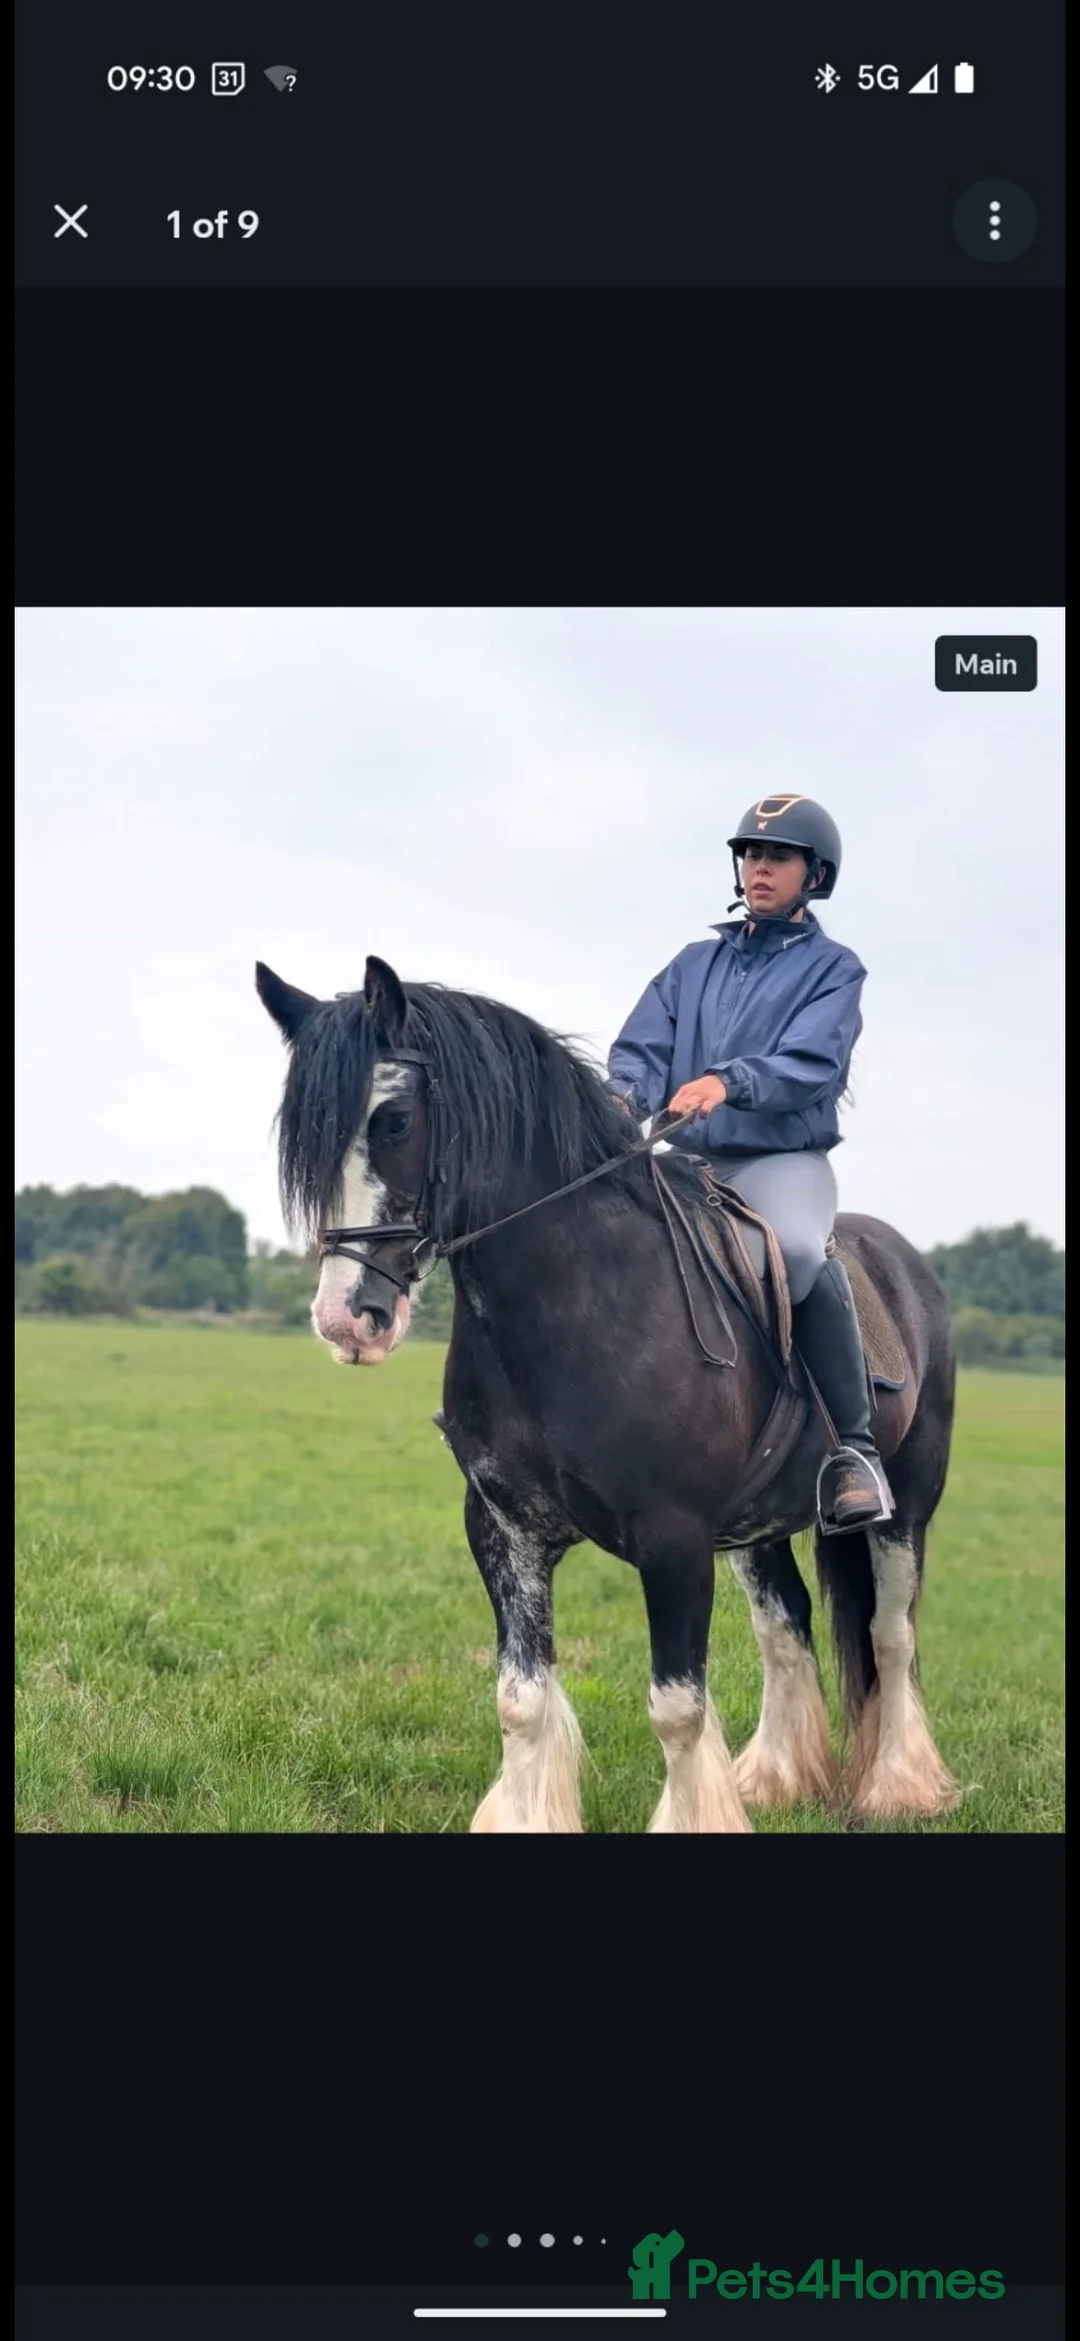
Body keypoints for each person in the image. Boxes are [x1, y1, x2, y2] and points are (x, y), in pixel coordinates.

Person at [606, 794, 892, 1534]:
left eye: (778, 857)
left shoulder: (835, 969)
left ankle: (852, 1453)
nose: (759, 867)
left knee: (798, 1250)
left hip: (776, 1162)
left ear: (814, 873)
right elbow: (640, 1051)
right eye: (751, 855)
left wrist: (729, 1080)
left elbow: (813, 1063)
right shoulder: (692, 964)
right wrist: (617, 1104)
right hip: (686, 1161)